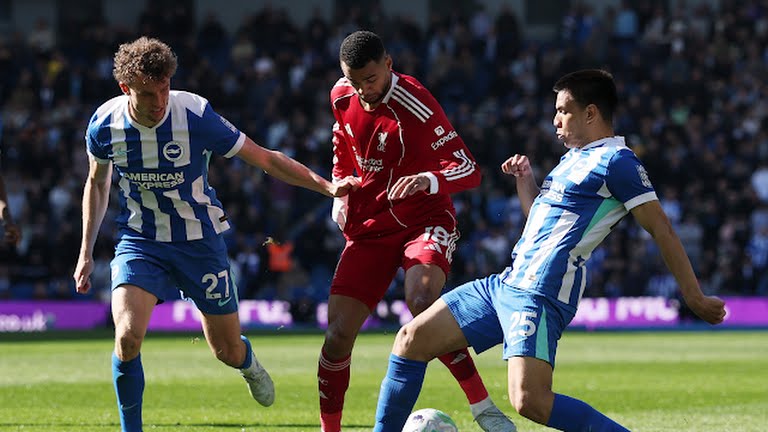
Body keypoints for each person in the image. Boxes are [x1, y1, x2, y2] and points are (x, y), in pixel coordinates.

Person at [372, 69, 727, 431]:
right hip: (505, 285)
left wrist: (693, 295)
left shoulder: (618, 162)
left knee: (530, 401)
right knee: (410, 339)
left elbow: (661, 228)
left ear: (590, 113)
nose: (555, 120)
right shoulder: (572, 159)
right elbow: (539, 223)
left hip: (539, 294)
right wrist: (526, 181)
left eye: (563, 111)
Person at [72, 37, 356, 432]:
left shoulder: (195, 114)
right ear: (125, 88)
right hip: (141, 240)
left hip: (199, 241)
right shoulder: (105, 124)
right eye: (148, 94)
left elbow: (264, 158)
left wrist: (325, 186)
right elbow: (97, 183)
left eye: (164, 88)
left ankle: (247, 362)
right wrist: (86, 252)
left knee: (226, 350)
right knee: (128, 338)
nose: (159, 101)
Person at [318, 30, 516, 432]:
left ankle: (482, 406)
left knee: (423, 303)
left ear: (389, 65)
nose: (363, 90)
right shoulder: (341, 94)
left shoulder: (415, 102)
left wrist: (428, 179)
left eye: (370, 79)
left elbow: (469, 170)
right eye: (354, 81)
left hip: (424, 219)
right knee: (337, 336)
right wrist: (340, 187)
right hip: (369, 224)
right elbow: (342, 141)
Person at [0, 172, 21, 246]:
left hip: (18, 222)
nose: (13, 184)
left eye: (15, 182)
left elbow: (25, 213)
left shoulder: (22, 197)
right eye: (11, 182)